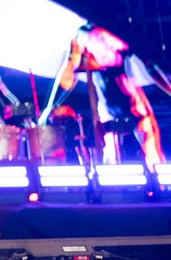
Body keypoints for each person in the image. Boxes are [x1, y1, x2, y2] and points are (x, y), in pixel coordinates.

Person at [52, 23, 163, 169]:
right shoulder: (83, 37)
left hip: (133, 104)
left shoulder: (112, 35)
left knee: (150, 146)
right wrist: (54, 105)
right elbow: (68, 75)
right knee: (110, 155)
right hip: (108, 107)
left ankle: (156, 175)